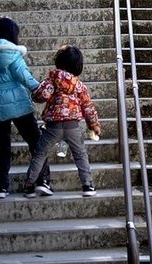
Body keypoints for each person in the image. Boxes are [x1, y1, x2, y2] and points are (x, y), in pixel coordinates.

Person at [0, 17, 51, 199]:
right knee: (35, 141)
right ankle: (42, 180)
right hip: (19, 102)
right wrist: (40, 89)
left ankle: (1, 187)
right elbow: (24, 76)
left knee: (2, 145)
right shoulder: (14, 54)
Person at [23, 45, 101, 198]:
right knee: (80, 155)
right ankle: (87, 186)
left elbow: (41, 96)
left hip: (53, 127)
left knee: (39, 154)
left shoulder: (51, 81)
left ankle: (29, 185)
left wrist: (35, 94)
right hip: (73, 126)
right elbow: (88, 107)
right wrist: (94, 125)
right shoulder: (79, 86)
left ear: (59, 61)